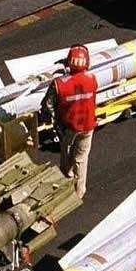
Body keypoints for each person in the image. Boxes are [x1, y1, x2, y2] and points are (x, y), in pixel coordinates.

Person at [41, 44, 97, 199]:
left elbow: (47, 105)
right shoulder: (92, 79)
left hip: (69, 128)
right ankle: (79, 192)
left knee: (66, 159)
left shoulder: (58, 84)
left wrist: (53, 120)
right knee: (81, 159)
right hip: (88, 127)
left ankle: (65, 185)